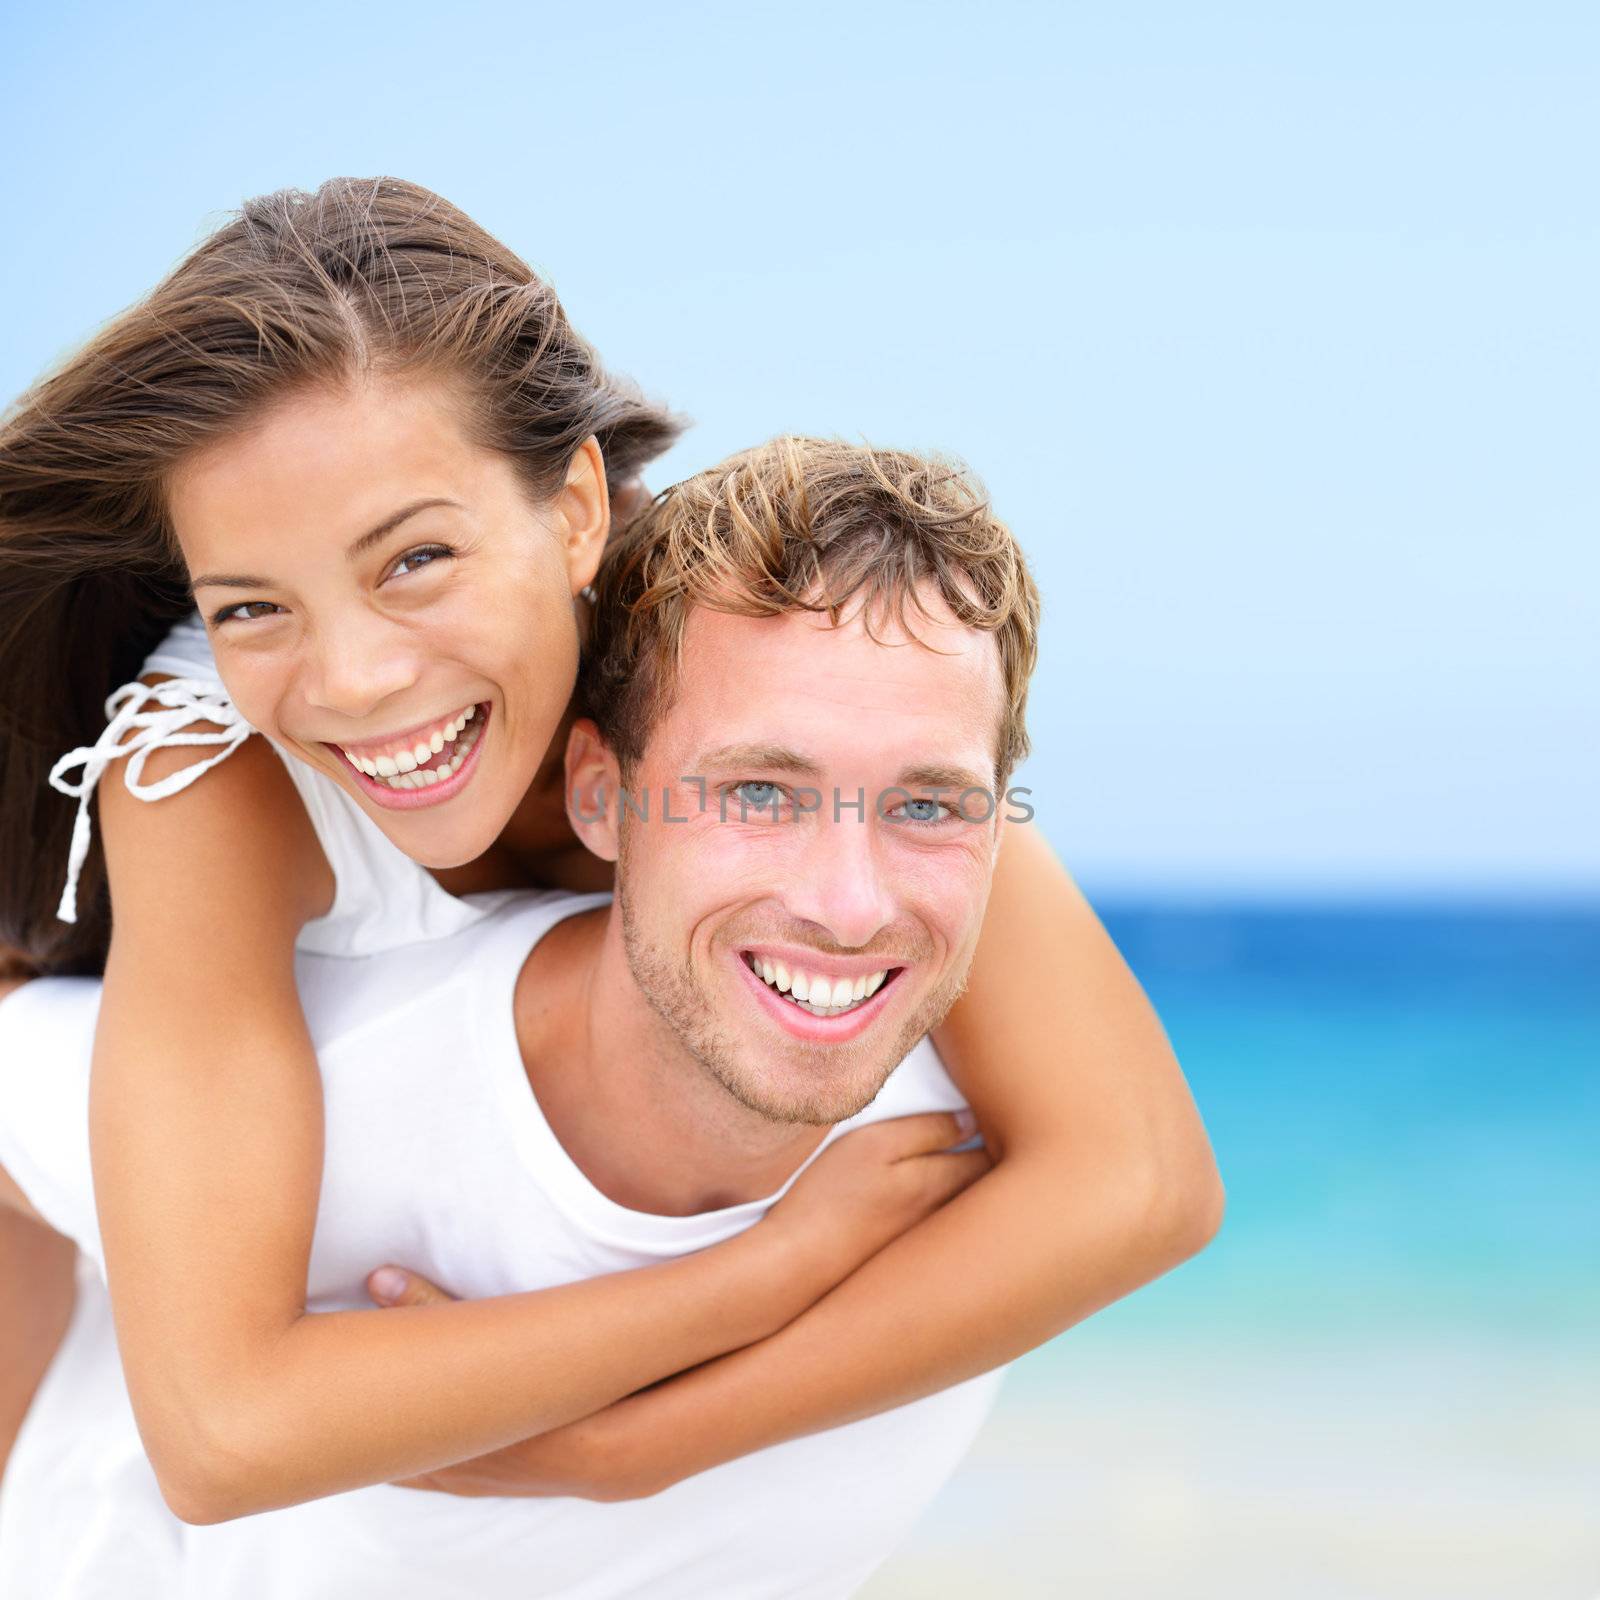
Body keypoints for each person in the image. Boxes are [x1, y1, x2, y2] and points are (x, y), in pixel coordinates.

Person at [0, 180, 1221, 1536]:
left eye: (414, 559)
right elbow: (223, 1431)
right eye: (252, 604)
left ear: (578, 510)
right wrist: (755, 1280)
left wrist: (657, 1442)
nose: (351, 680)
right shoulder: (213, 775)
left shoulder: (756, 655)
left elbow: (1142, 1177)